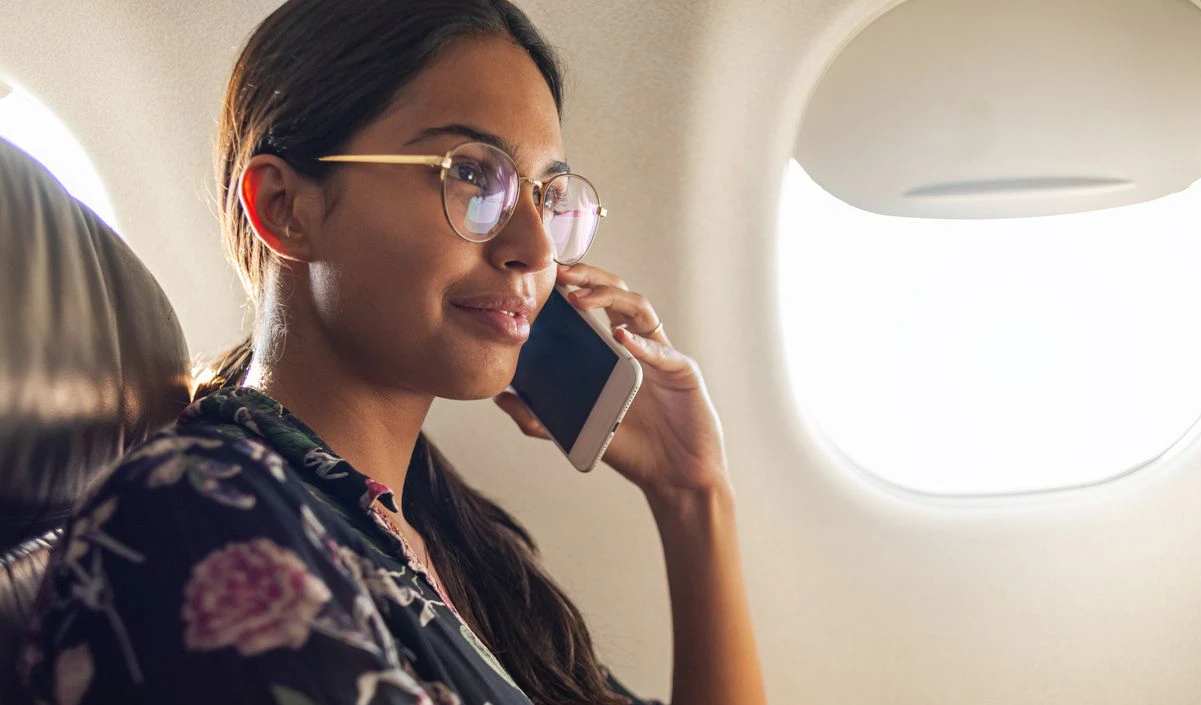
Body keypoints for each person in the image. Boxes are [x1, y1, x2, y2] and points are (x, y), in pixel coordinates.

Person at [20, 1, 767, 704]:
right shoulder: (191, 515)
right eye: (474, 175)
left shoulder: (456, 545)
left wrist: (694, 495)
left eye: (547, 195)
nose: (535, 247)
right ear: (285, 208)